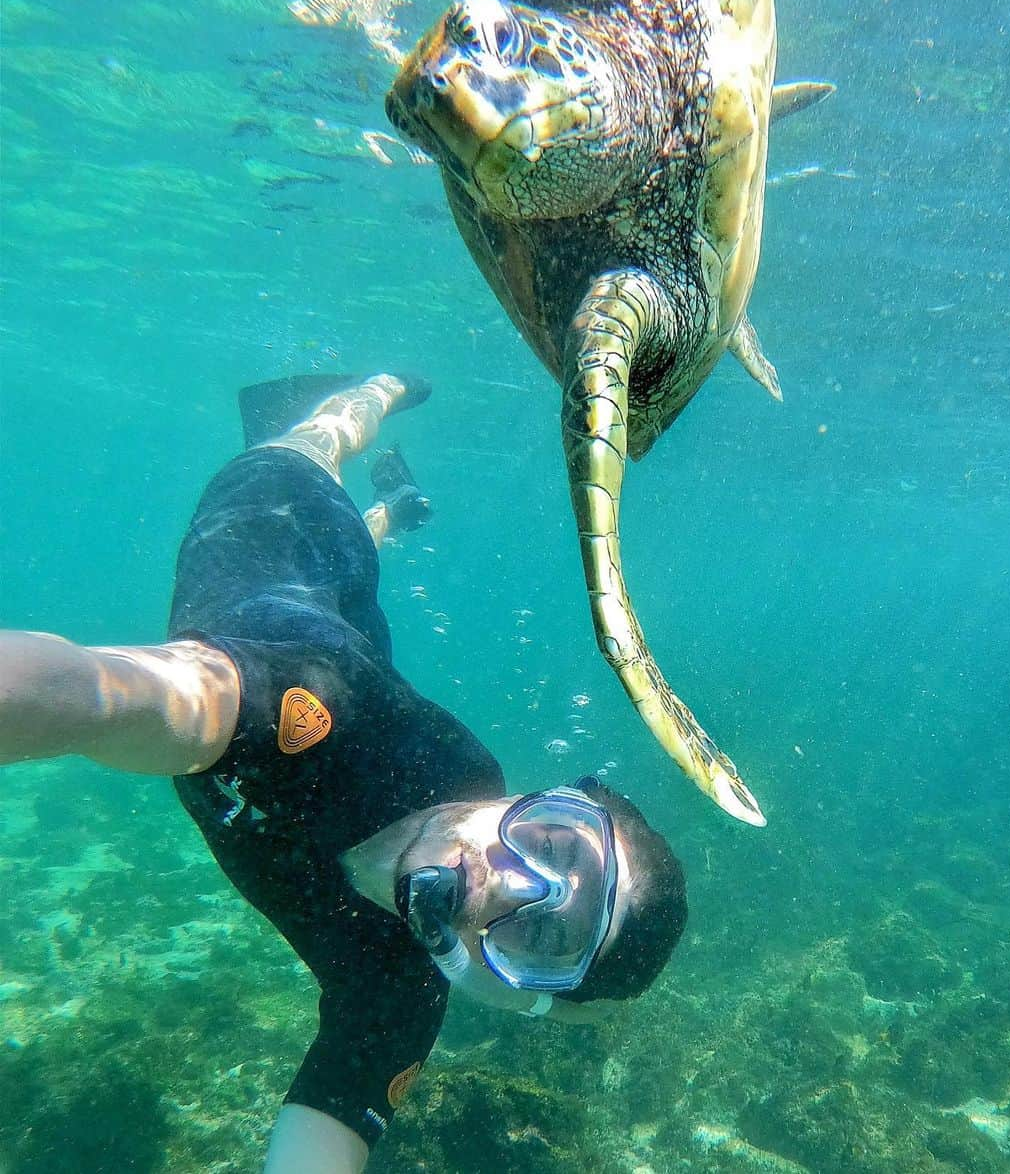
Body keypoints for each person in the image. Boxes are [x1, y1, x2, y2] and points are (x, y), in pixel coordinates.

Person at [0, 372, 688, 1173]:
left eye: (539, 939)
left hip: (332, 616)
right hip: (273, 523)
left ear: (519, 999)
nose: (503, 885)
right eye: (550, 842)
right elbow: (92, 694)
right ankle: (368, 394)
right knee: (307, 450)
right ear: (536, 798)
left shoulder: (399, 996)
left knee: (352, 587)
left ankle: (389, 514)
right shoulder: (328, 708)